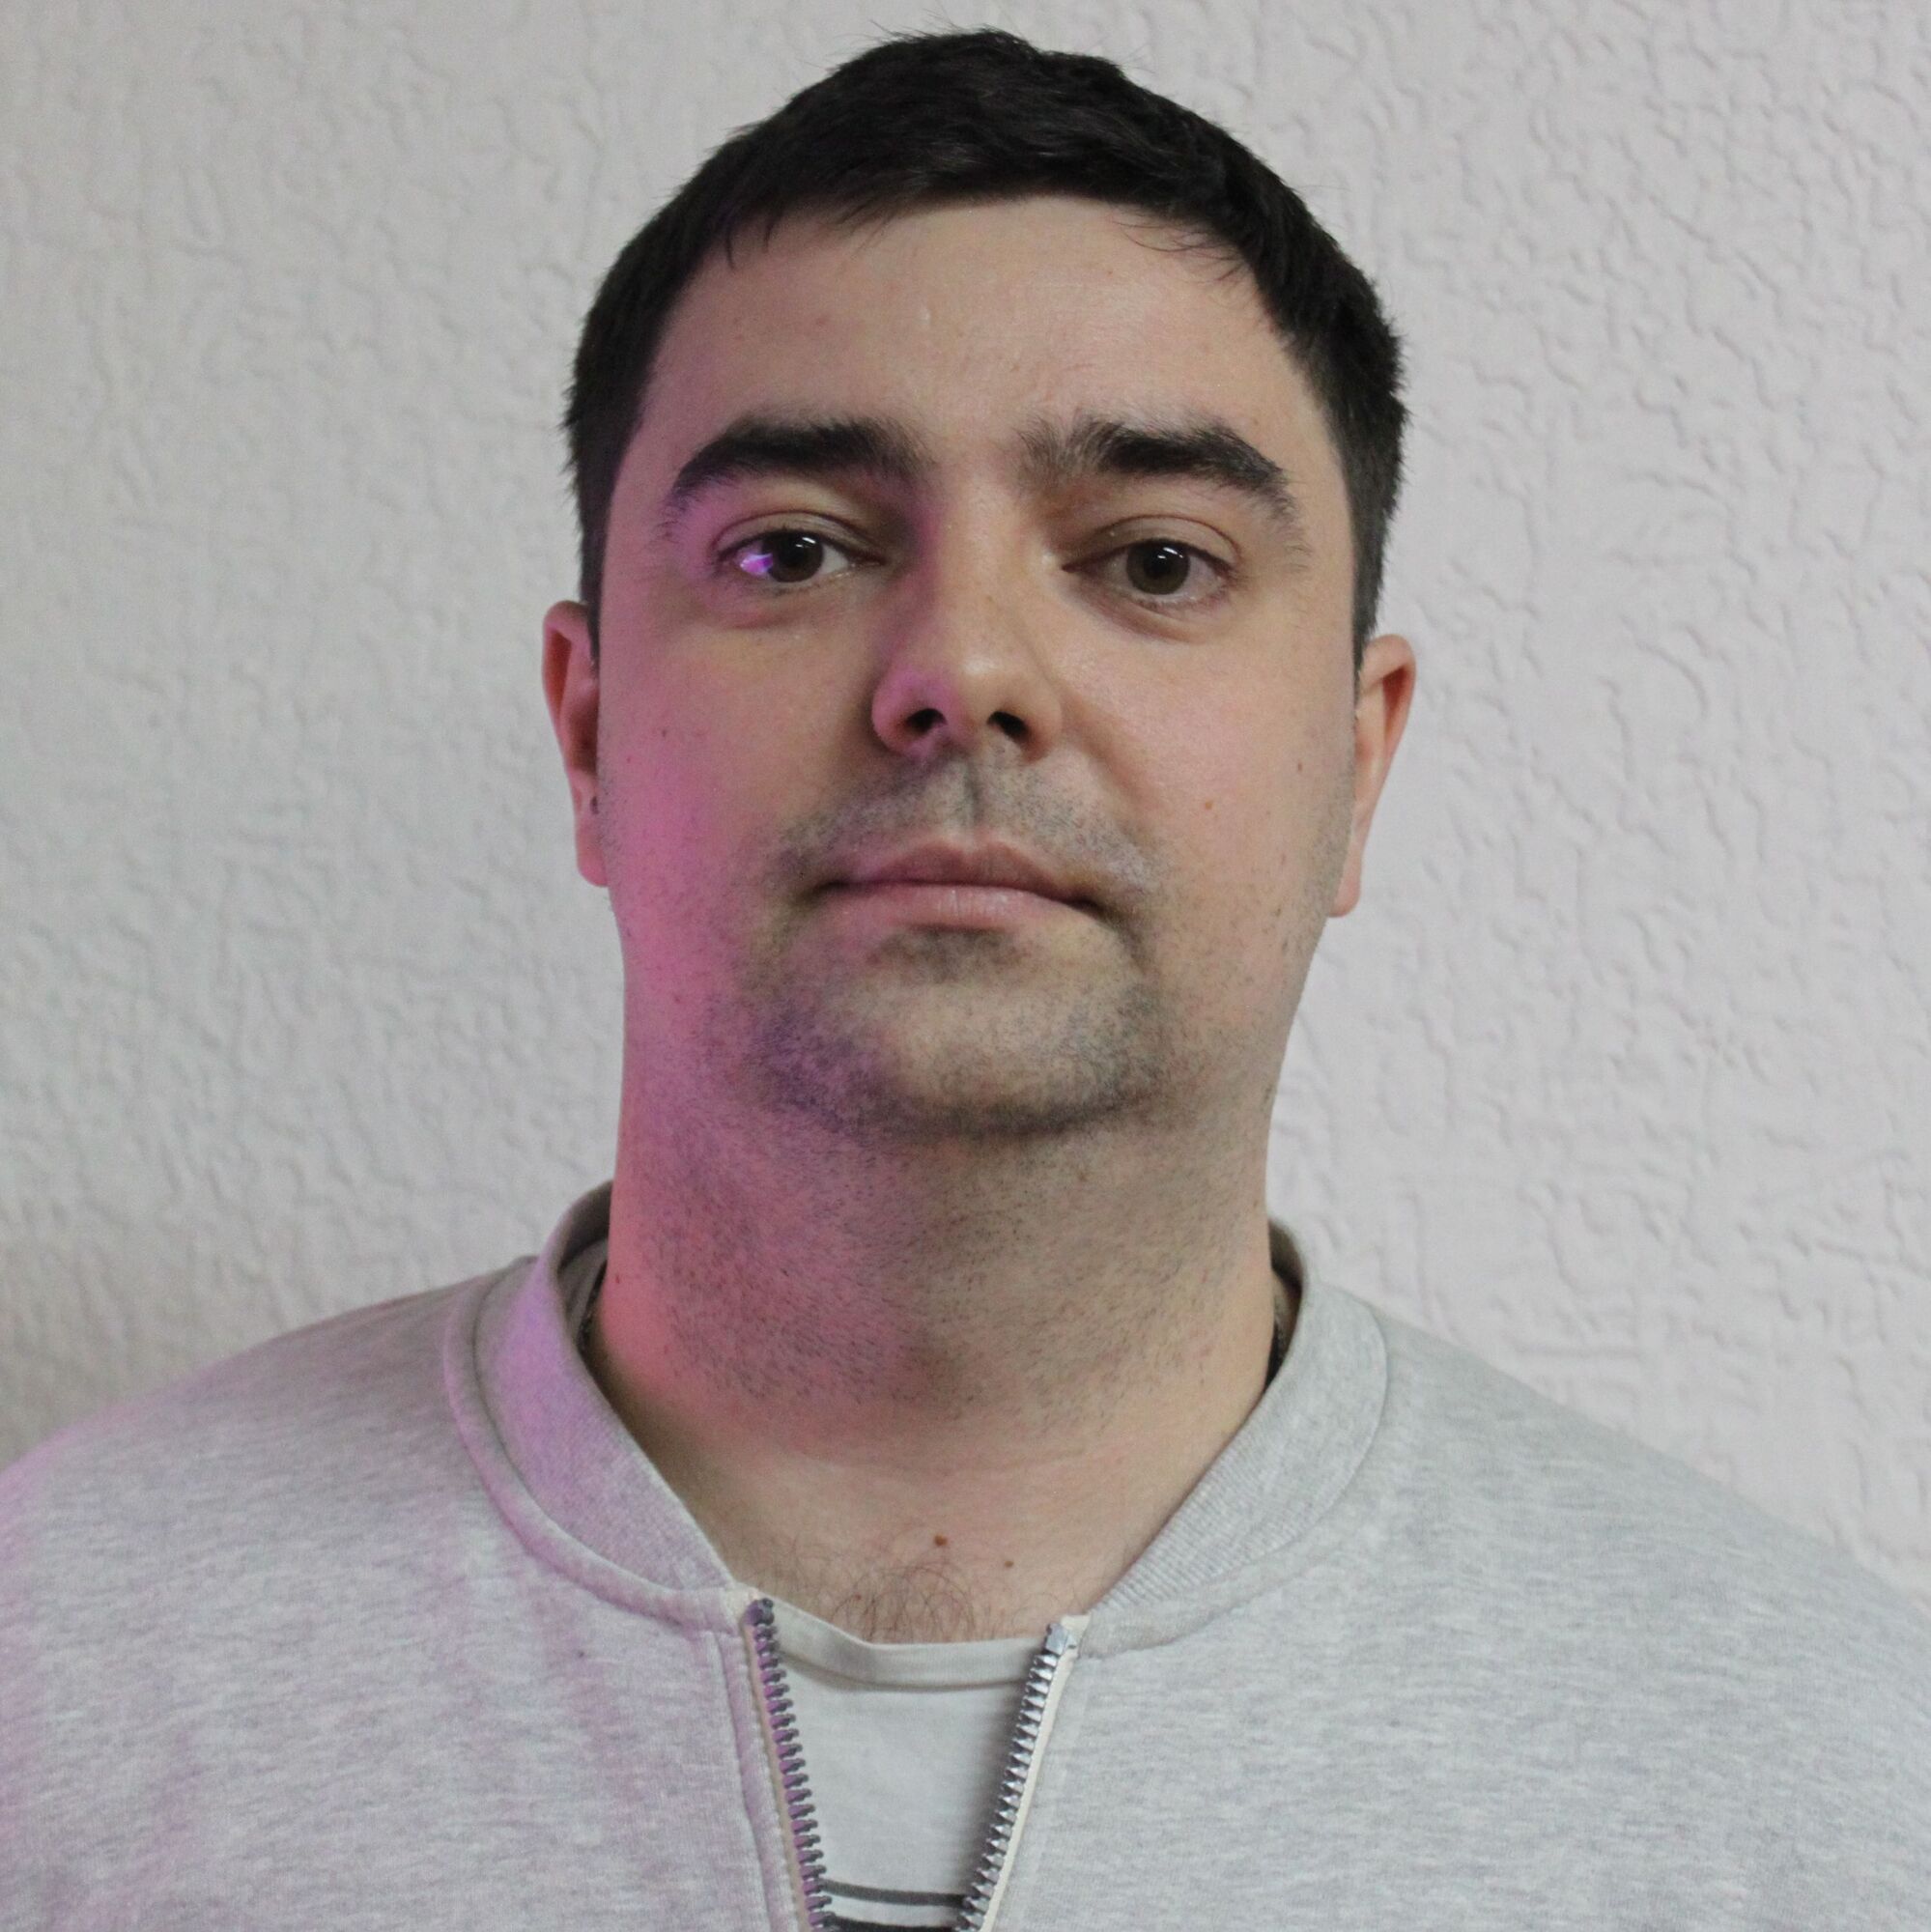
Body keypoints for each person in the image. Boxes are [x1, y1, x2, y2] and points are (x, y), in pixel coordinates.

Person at [3, 24, 1927, 1931]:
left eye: (1155, 562)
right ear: (588, 737)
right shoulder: (51, 1679)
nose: (963, 670)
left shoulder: (1833, 1791)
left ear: (1357, 765)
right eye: (793, 551)